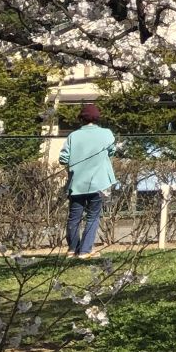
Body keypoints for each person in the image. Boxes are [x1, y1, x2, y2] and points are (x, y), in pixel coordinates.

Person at [59, 101, 117, 257]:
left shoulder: (73, 136)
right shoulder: (106, 133)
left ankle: (72, 249)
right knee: (93, 216)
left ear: (81, 119)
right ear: (97, 118)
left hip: (76, 183)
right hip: (99, 182)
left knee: (74, 217)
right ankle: (85, 250)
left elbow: (63, 158)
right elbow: (112, 151)